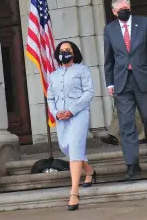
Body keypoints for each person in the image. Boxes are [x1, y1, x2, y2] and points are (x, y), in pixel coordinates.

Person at [104, 0, 147, 181]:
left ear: (130, 7)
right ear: (114, 12)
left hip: (143, 78)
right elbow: (109, 58)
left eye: (126, 7)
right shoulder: (110, 29)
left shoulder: (144, 23)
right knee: (126, 123)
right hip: (122, 81)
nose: (124, 10)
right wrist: (110, 82)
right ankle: (132, 163)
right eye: (120, 8)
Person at [47, 41, 96, 211]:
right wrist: (55, 113)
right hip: (61, 117)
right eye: (62, 50)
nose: (65, 53)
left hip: (78, 114)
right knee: (65, 146)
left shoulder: (82, 70)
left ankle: (74, 193)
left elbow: (89, 92)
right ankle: (89, 170)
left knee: (75, 146)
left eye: (68, 50)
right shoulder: (53, 75)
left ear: (73, 53)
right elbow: (50, 98)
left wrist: (72, 110)